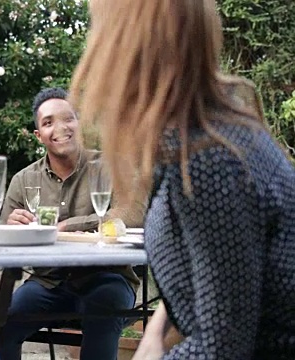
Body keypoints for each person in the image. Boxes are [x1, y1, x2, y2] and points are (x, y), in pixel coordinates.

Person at [68, 0, 295, 359]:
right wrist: (155, 332)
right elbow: (213, 275)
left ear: (127, 45)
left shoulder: (210, 159)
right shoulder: (197, 136)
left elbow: (223, 349)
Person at [0, 87, 147, 360]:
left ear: (79, 124)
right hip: (47, 281)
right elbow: (2, 237)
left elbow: (134, 212)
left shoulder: (112, 166)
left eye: (68, 118)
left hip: (107, 277)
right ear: (38, 135)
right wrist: (11, 226)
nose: (60, 127)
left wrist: (71, 225)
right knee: (0, 328)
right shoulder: (24, 180)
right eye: (48, 122)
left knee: (103, 315)